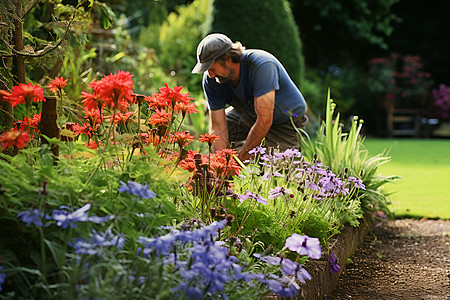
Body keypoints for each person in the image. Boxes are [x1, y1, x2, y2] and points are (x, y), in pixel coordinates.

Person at [192, 33, 308, 162]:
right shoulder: (211, 80)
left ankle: (252, 156)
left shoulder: (262, 65)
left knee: (277, 169)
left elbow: (264, 121)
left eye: (212, 68)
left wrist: (240, 161)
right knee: (215, 141)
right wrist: (221, 164)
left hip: (284, 123)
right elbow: (218, 127)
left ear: (227, 59)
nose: (210, 75)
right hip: (249, 114)